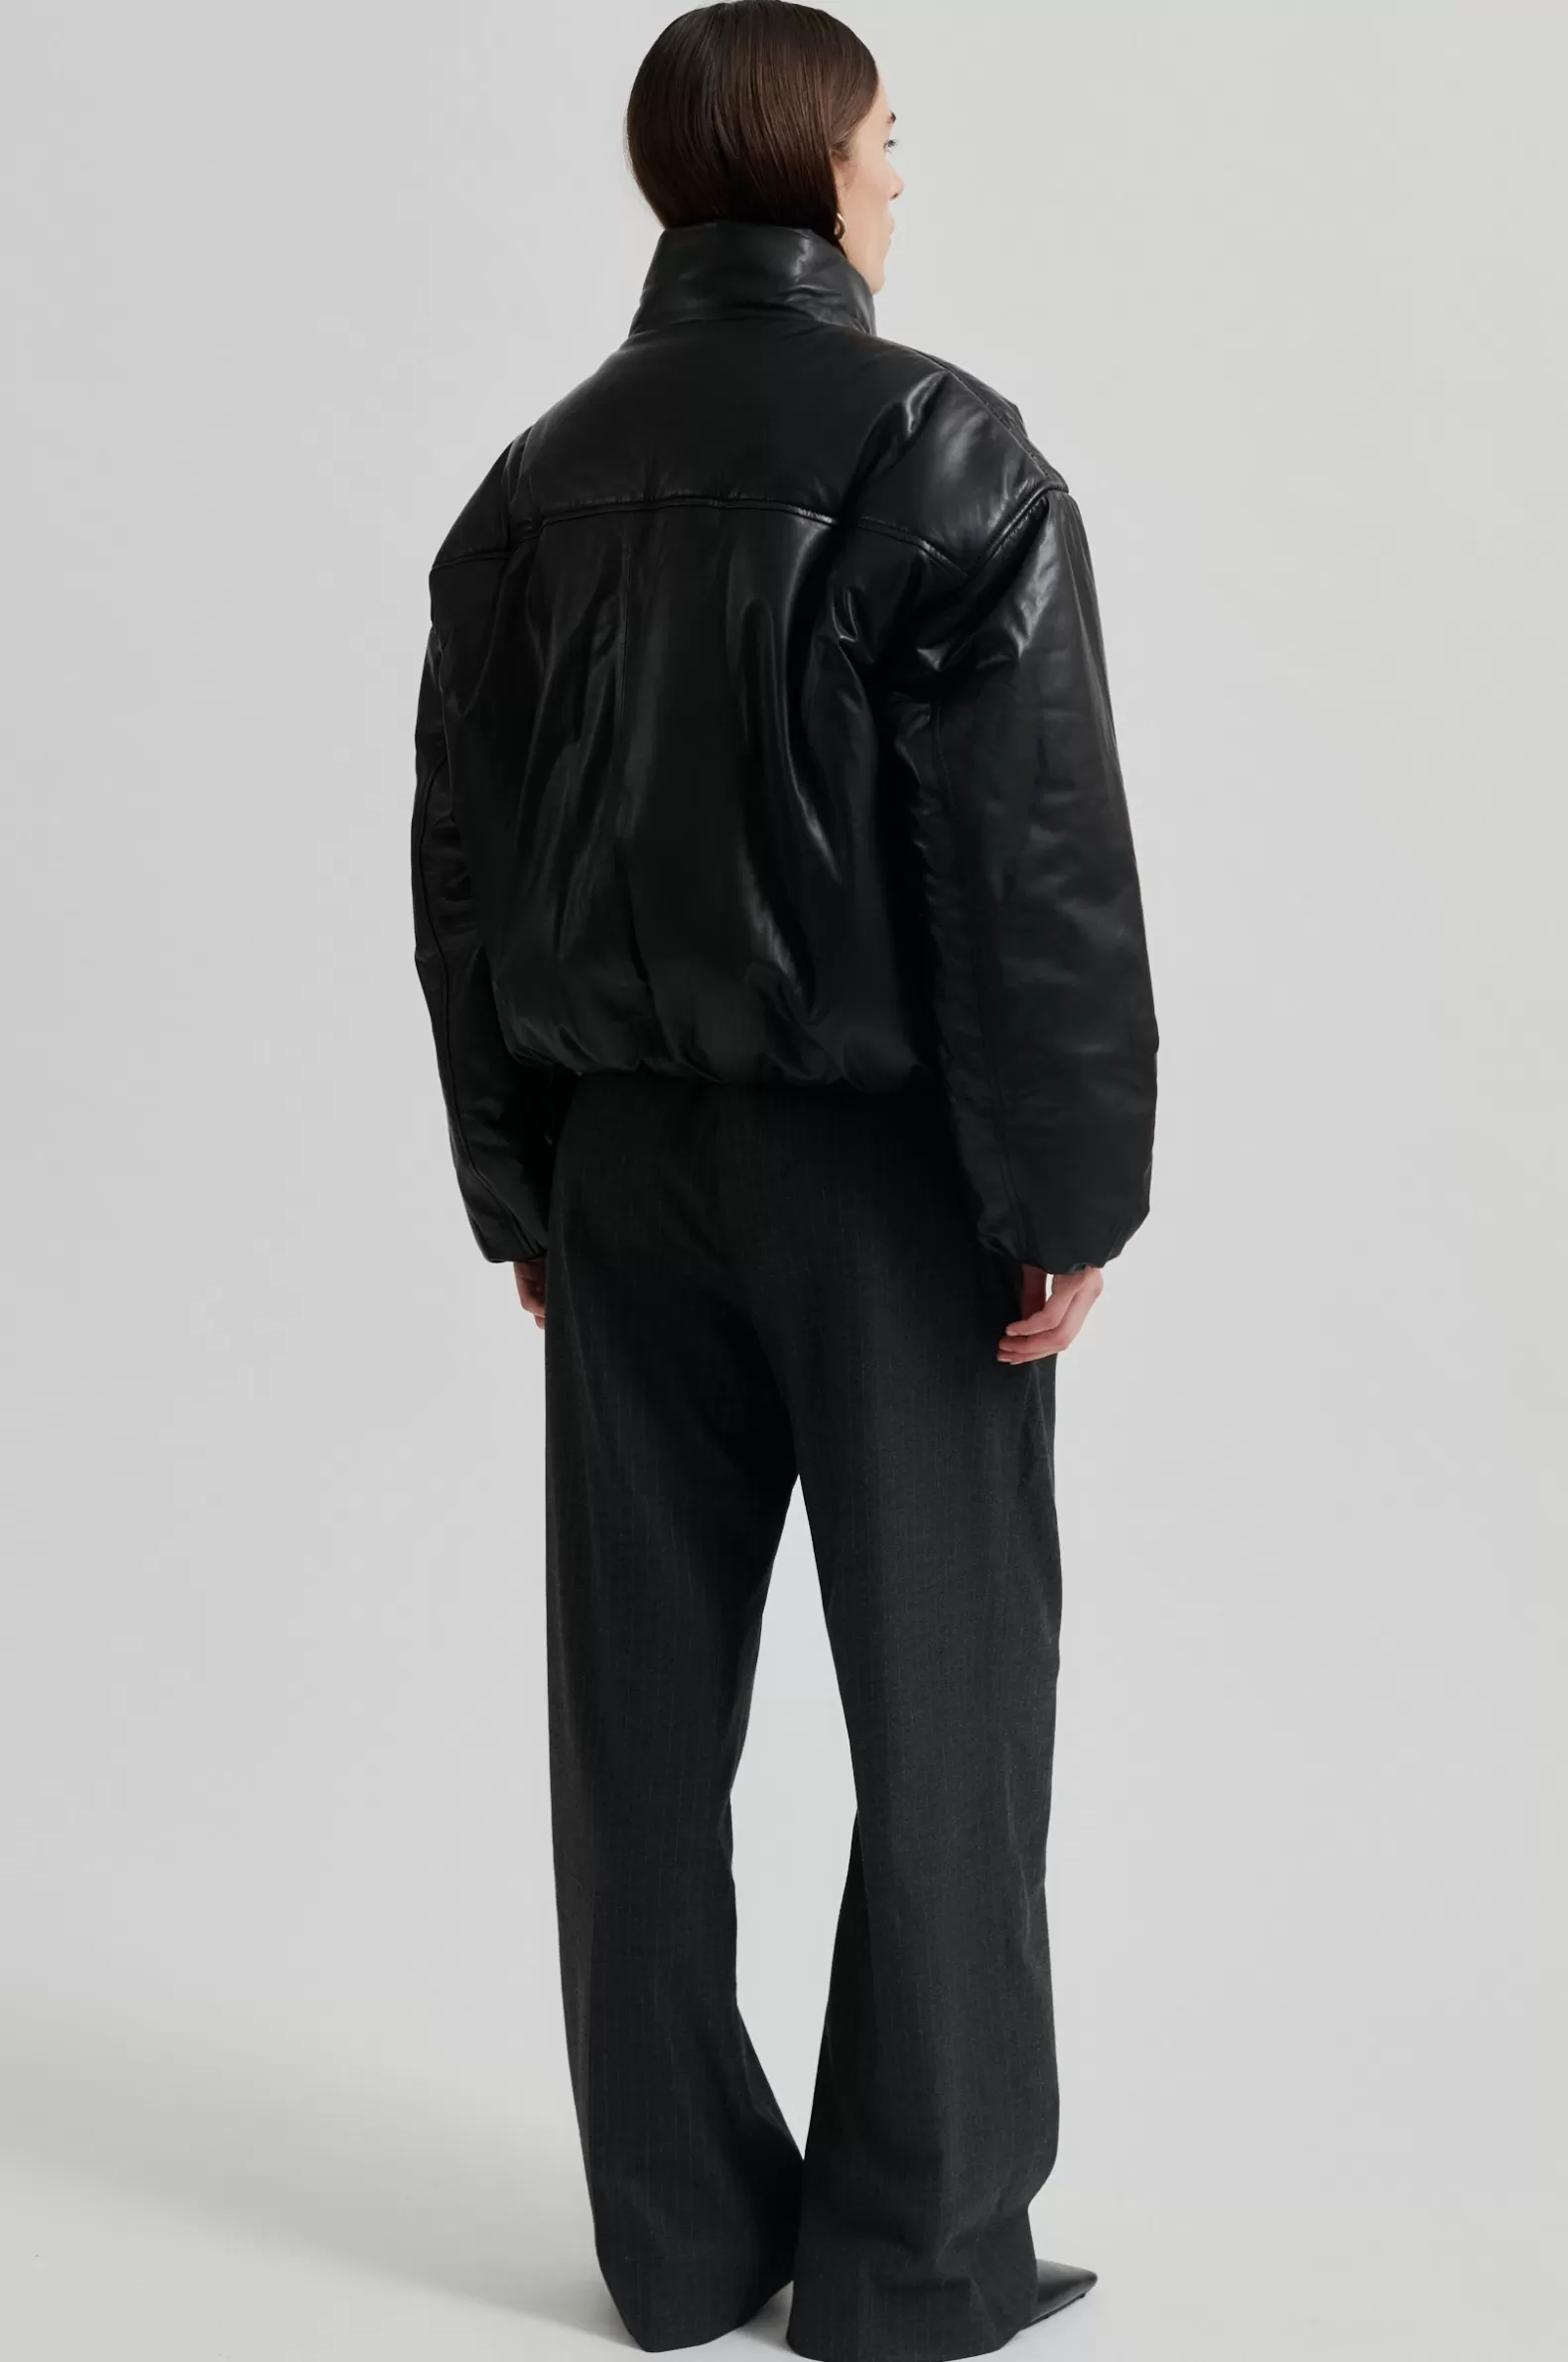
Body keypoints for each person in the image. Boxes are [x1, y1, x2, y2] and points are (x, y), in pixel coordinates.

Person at [410, 5, 1158, 2355]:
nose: (901, 180)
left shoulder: (531, 484)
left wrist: (523, 1186)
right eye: (890, 141)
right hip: (883, 1181)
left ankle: (677, 2243)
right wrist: (1069, 1191)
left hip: (622, 1164)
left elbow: (463, 867)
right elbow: (1029, 864)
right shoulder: (938, 447)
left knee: (635, 1723)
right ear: (820, 161)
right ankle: (911, 2260)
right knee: (947, 1710)